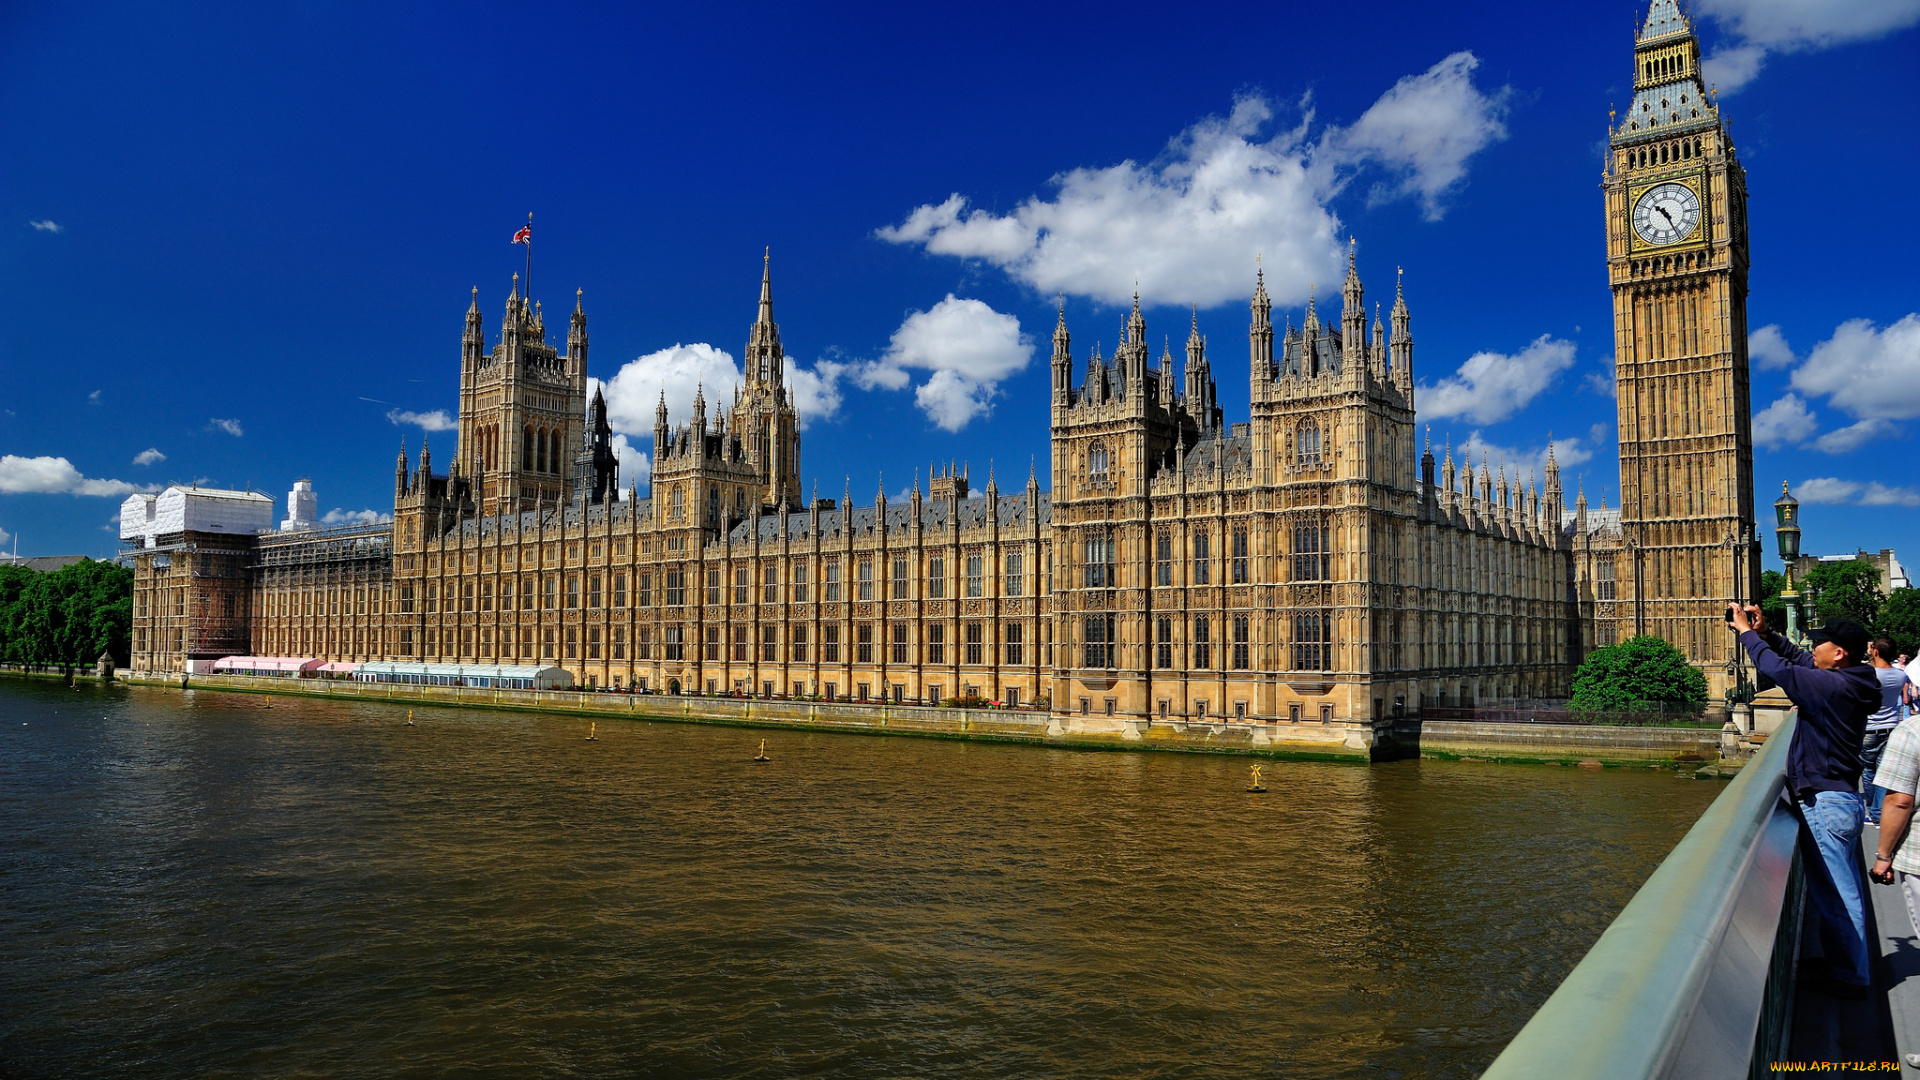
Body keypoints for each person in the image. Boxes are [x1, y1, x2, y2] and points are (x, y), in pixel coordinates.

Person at [1730, 605, 1881, 993]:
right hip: (1838, 796)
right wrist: (1769, 635)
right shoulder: (1850, 680)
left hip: (1825, 800)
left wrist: (1747, 635)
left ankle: (1852, 977)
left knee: (1837, 893)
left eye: (1820, 644)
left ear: (1839, 654)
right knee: (1836, 888)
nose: (1813, 648)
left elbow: (1780, 671)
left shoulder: (1832, 687)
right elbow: (1799, 661)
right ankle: (1842, 964)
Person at [1864, 638, 1910, 825]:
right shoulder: (1900, 675)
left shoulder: (1869, 674)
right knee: (1884, 773)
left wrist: (1869, 655)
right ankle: (1878, 813)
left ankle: (1872, 810)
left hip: (1869, 728)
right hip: (1891, 727)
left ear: (1875, 651)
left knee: (1868, 771)